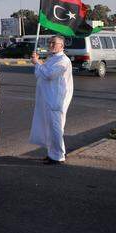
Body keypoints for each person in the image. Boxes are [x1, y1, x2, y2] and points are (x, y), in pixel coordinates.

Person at [29, 36, 73, 165]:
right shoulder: (52, 58)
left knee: (56, 128)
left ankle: (58, 156)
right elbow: (40, 74)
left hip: (55, 100)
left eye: (55, 43)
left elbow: (49, 74)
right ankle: (52, 153)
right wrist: (37, 63)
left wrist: (38, 62)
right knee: (49, 128)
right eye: (51, 42)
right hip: (47, 99)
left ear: (62, 46)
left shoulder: (63, 60)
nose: (52, 44)